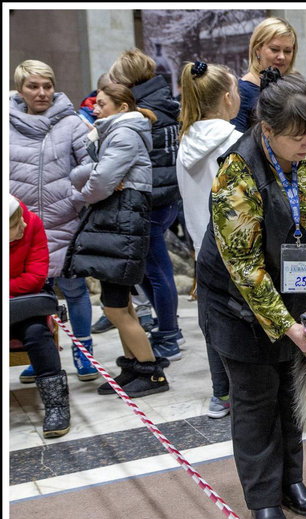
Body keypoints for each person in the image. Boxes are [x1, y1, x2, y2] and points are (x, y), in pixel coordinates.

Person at [195, 70, 306, 519]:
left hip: (301, 294)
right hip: (240, 306)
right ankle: (263, 498)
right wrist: (285, 326)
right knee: (256, 403)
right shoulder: (237, 171)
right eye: (297, 136)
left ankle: (293, 481)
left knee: (294, 399)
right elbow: (244, 268)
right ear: (266, 130)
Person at [64, 83, 168, 398]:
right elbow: (95, 173)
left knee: (113, 308)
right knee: (119, 304)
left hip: (122, 224)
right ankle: (134, 367)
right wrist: (94, 177)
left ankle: (151, 374)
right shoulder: (113, 133)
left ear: (122, 107)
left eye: (102, 104)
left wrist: (78, 195)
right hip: (117, 224)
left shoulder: (123, 134)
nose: (95, 109)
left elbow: (99, 182)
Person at [9, 59, 98, 383]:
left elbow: (91, 166)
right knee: (36, 296)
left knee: (74, 290)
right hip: (23, 229)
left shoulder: (72, 123)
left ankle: (84, 353)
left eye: (47, 85)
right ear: (21, 89)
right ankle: (42, 354)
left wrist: (73, 197)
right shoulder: (8, 123)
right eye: (34, 86)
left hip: (65, 223)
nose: (42, 92)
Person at [176, 60, 243, 419]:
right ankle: (243, 392)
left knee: (211, 322)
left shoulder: (185, 141)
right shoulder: (235, 141)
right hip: (234, 246)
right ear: (229, 97)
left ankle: (221, 395)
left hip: (202, 245)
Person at [109, 47, 183, 361]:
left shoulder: (140, 110)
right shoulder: (165, 101)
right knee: (151, 268)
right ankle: (168, 327)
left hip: (150, 197)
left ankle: (169, 334)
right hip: (167, 196)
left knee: (155, 269)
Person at [10, 196, 72, 438]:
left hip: (26, 306)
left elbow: (35, 278)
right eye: (15, 225)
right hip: (21, 296)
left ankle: (57, 406)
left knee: (37, 333)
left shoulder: (31, 223)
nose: (23, 226)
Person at [231, 16, 297, 133]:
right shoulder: (242, 91)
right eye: (274, 49)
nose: (281, 57)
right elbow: (238, 145)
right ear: (258, 49)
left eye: (287, 51)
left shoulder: (296, 86)